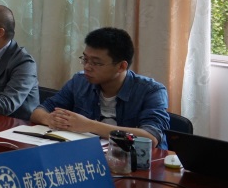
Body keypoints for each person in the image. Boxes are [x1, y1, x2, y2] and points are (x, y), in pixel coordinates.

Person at [32, 27, 170, 149]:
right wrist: (50, 119)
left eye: (96, 63)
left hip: (138, 163)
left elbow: (150, 138)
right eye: (85, 59)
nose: (87, 67)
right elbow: (38, 111)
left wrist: (88, 125)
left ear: (121, 66)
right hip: (91, 156)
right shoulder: (80, 81)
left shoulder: (152, 91)